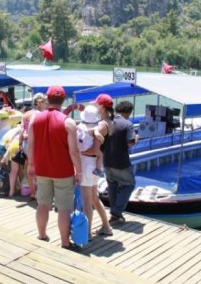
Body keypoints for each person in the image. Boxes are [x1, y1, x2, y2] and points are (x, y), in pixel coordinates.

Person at [27, 85, 82, 250]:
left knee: (42, 204)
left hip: (42, 169)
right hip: (63, 171)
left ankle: (42, 235)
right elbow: (74, 151)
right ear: (63, 100)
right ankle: (65, 243)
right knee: (64, 208)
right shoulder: (69, 122)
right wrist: (79, 171)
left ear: (47, 99)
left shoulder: (35, 120)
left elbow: (30, 145)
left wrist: (30, 165)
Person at [99, 98, 138, 224]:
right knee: (129, 184)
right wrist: (136, 138)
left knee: (112, 186)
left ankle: (114, 214)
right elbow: (130, 142)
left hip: (107, 161)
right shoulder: (127, 124)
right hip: (121, 162)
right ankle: (116, 212)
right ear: (128, 113)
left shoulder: (105, 122)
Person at [78, 104, 113, 237]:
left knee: (87, 201)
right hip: (96, 166)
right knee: (94, 198)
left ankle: (87, 232)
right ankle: (106, 226)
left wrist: (82, 151)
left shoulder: (80, 128)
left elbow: (78, 148)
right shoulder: (98, 128)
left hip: (85, 164)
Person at [19, 92, 47, 199]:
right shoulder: (39, 114)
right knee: (39, 168)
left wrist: (20, 143)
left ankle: (32, 193)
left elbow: (21, 130)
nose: (46, 104)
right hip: (36, 144)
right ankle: (39, 193)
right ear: (39, 103)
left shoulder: (26, 114)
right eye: (45, 102)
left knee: (29, 168)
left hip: (26, 144)